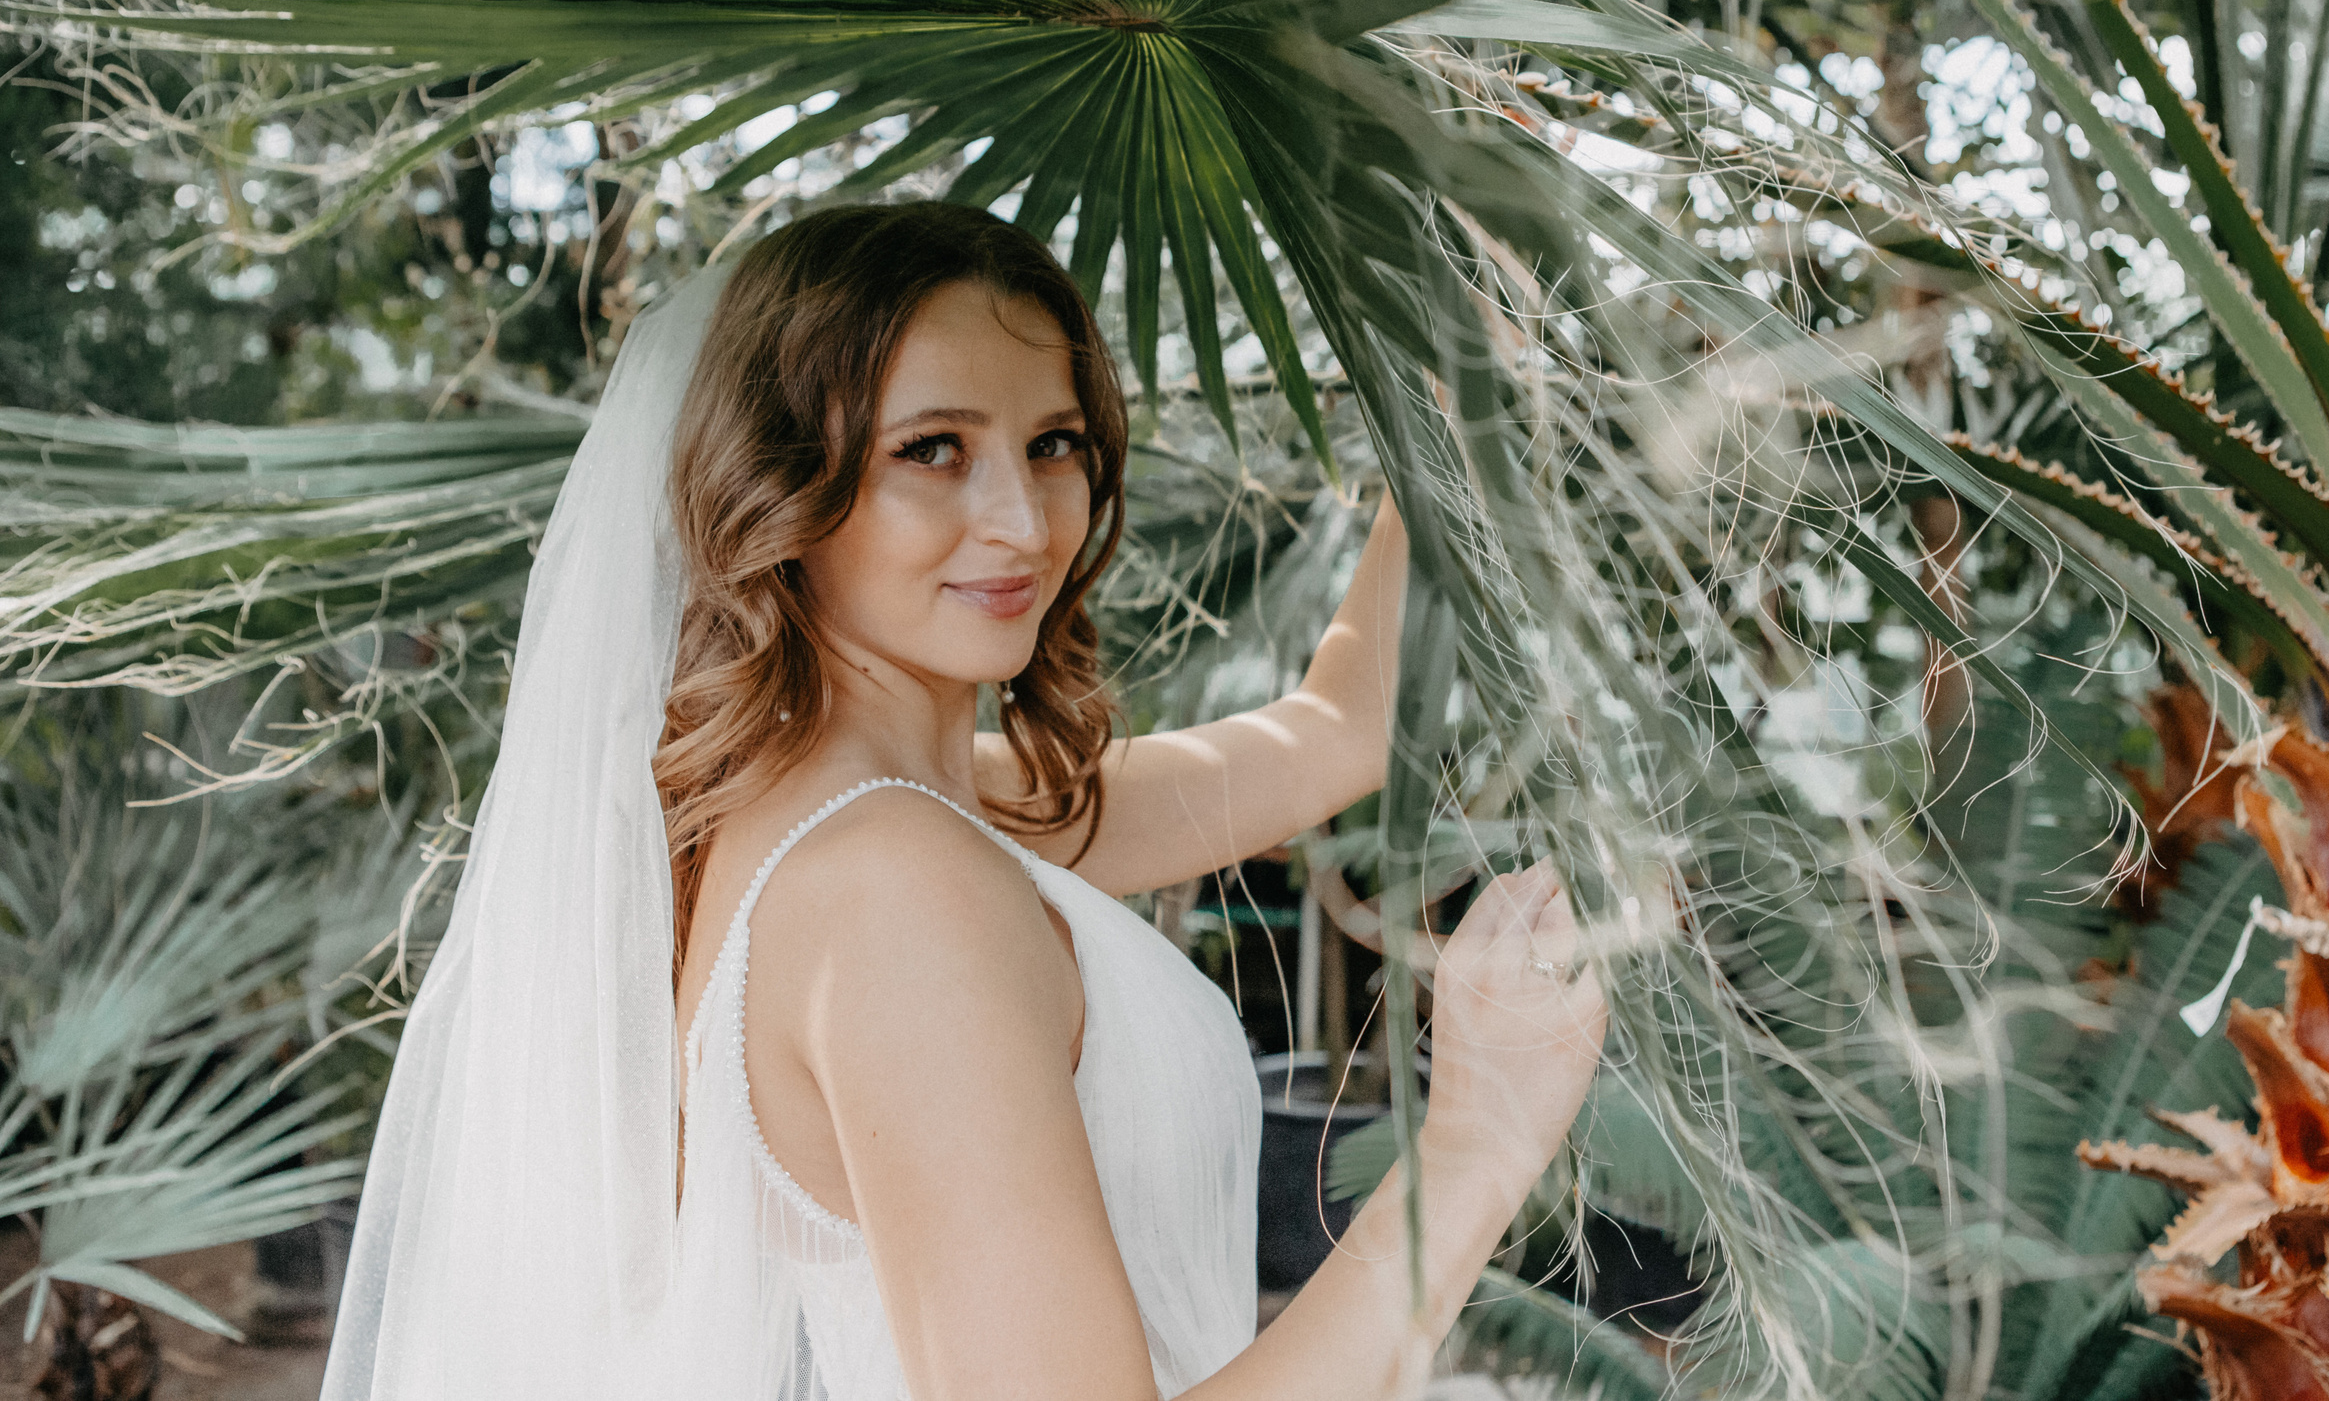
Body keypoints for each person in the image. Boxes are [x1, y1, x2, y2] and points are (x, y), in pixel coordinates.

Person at [319, 201, 1606, 1401]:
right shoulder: (897, 890)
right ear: (776, 490)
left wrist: (1456, 388)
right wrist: (1477, 1141)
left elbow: (1340, 726)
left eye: (1052, 445)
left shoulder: (874, 816)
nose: (1022, 523)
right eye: (932, 451)